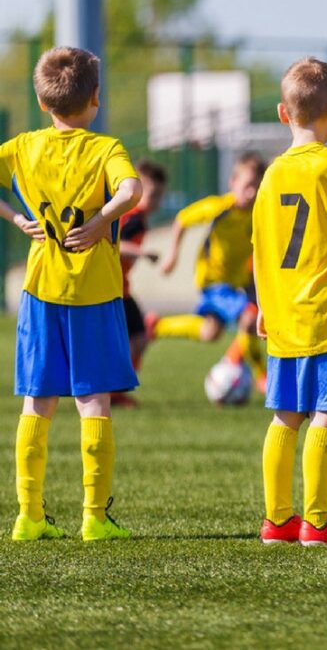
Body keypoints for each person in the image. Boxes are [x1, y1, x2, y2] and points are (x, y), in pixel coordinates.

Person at [1, 47, 141, 541]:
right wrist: (103, 220)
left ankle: (28, 515)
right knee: (93, 402)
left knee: (36, 403)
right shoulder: (106, 149)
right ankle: (95, 517)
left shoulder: (22, 147)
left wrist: (17, 218)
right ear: (95, 99)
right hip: (95, 292)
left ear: (43, 103)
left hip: (40, 290)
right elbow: (131, 190)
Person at [253, 58, 327, 547]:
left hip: (281, 311)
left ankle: (277, 520)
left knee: (284, 414)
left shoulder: (270, 175)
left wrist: (261, 306)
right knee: (326, 412)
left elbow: (260, 247)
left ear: (283, 112)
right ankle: (317, 522)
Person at [151, 153, 267, 391]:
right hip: (214, 281)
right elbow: (182, 219)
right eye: (247, 186)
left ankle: (157, 326)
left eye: (257, 186)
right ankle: (261, 376)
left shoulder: (259, 214)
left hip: (240, 280)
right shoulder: (219, 207)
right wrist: (173, 256)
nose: (252, 193)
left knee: (210, 332)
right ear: (232, 183)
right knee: (249, 319)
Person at [113, 159, 167, 408]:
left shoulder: (138, 218)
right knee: (130, 342)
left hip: (121, 287)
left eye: (158, 196)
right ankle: (113, 391)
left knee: (139, 340)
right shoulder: (131, 218)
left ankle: (118, 390)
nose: (155, 201)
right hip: (110, 289)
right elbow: (115, 246)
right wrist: (142, 253)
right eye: (151, 194)